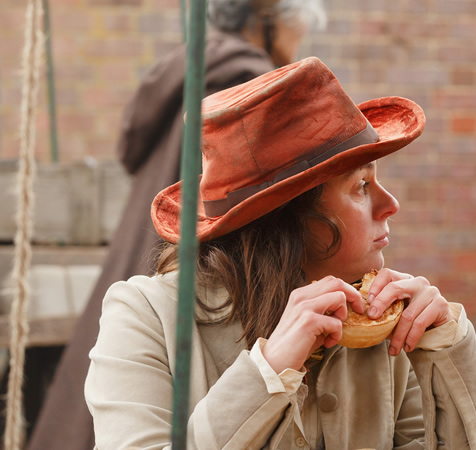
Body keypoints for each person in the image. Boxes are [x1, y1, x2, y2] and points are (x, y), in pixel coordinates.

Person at [84, 57, 476, 449]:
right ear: (288, 220)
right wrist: (270, 368)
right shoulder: (144, 314)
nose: (391, 205)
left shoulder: (382, 320)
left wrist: (445, 345)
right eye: (361, 187)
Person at [27, 1, 326, 448]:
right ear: (263, 16)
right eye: (292, 27)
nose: (295, 42)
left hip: (142, 249)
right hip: (189, 263)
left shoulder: (185, 68)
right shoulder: (243, 82)